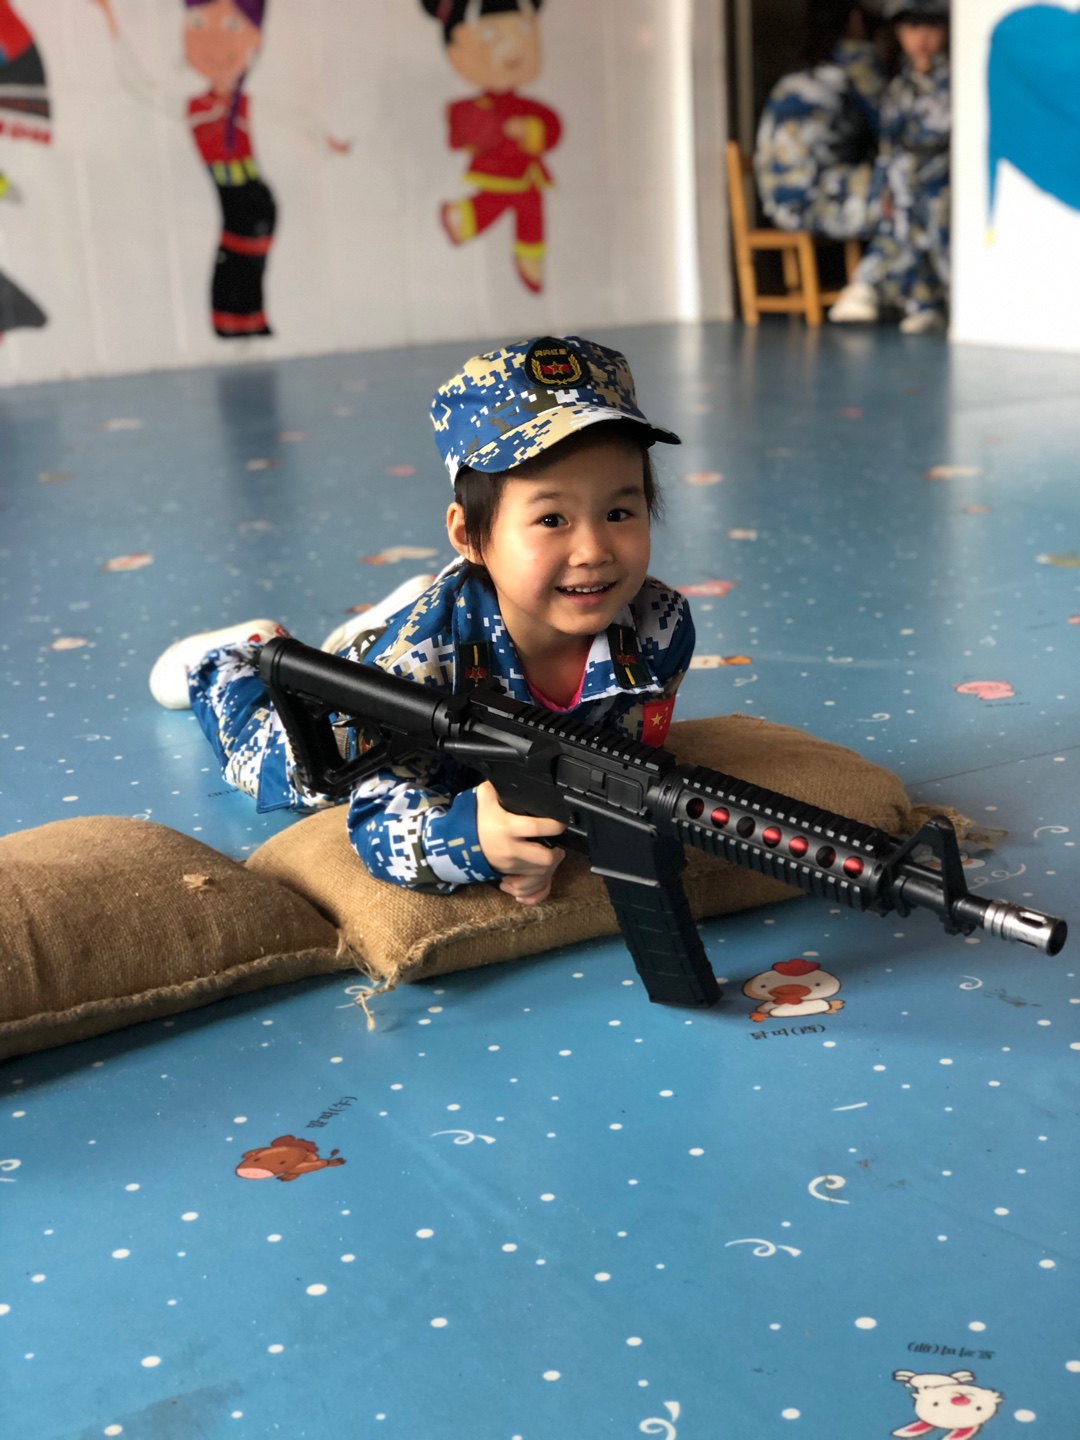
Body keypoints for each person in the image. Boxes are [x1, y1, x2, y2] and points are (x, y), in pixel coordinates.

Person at [149, 335, 696, 907]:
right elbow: (377, 822)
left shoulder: (659, 626)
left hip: (447, 656)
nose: (593, 550)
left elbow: (617, 754)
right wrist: (473, 844)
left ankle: (396, 616)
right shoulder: (415, 667)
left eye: (619, 512)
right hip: (390, 687)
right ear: (469, 536)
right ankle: (232, 655)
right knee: (291, 772)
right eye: (552, 519)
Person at [92, 0, 348, 339]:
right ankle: (241, 329)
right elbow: (140, 84)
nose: (213, 42)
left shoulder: (243, 106)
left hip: (252, 200)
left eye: (231, 27)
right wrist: (111, 23)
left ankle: (247, 328)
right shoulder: (194, 107)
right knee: (233, 269)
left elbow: (291, 117)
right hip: (232, 202)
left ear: (254, 40)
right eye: (198, 24)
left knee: (240, 269)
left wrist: (326, 140)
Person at [421, 0, 562, 294]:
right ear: (457, 49)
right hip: (498, 171)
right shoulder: (473, 107)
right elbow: (465, 135)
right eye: (490, 34)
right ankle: (470, 219)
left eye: (523, 29)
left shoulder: (528, 107)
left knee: (526, 205)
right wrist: (493, 130)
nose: (512, 46)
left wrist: (531, 130)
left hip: (528, 173)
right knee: (510, 202)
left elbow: (552, 126)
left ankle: (477, 225)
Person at [828, 0, 950, 333]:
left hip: (941, 187)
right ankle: (921, 300)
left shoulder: (954, 83)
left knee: (926, 223)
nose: (921, 38)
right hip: (904, 188)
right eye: (912, 27)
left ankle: (872, 285)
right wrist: (883, 187)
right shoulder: (899, 87)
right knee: (900, 218)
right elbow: (888, 145)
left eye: (931, 26)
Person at [753, 1, 886, 241]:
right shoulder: (857, 63)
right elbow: (892, 127)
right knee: (910, 190)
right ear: (856, 20)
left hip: (777, 204)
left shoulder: (800, 75)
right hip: (813, 205)